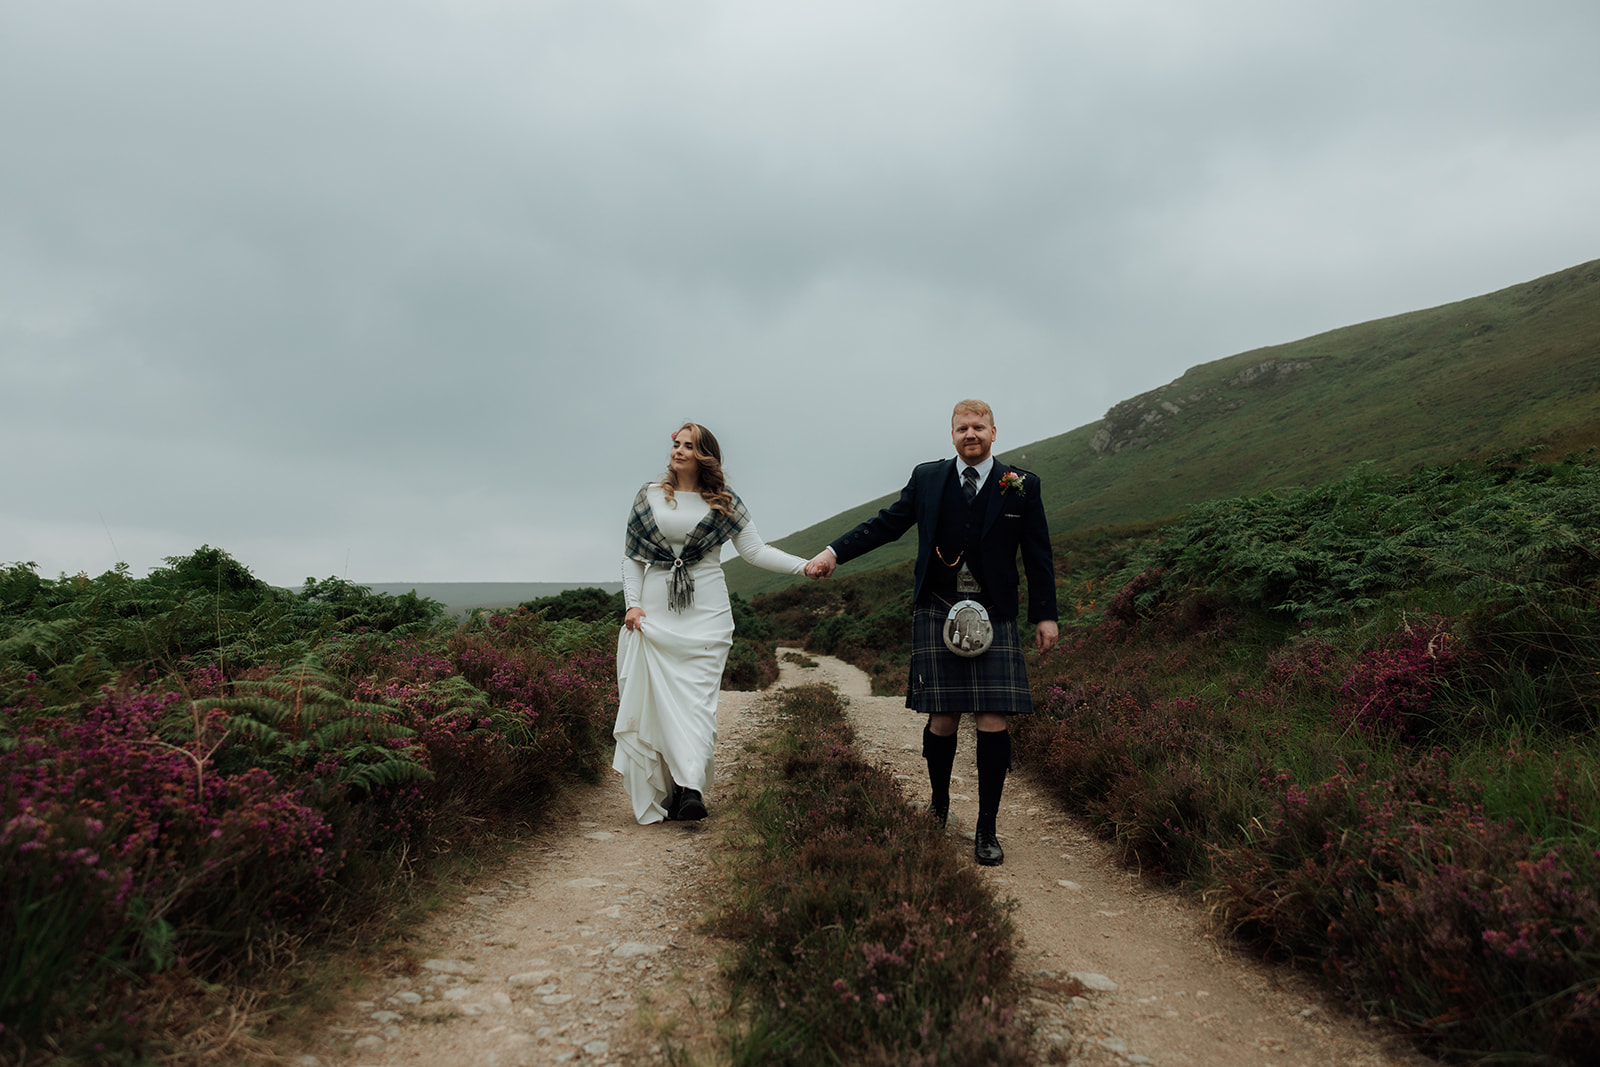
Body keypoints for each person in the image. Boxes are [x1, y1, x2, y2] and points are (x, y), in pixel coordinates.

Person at [805, 400, 1058, 865]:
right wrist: (832, 553)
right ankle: (938, 809)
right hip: (938, 609)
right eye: (962, 428)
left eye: (978, 427)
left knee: (992, 719)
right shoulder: (928, 478)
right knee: (941, 720)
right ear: (952, 434)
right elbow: (887, 524)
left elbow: (1038, 553)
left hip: (995, 611)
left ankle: (987, 828)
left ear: (994, 432)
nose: (970, 435)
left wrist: (1046, 615)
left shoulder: (1021, 485)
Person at [614, 421, 808, 825]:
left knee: (697, 704)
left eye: (689, 446)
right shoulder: (648, 496)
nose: (679, 451)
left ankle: (692, 789)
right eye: (677, 444)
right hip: (655, 614)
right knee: (660, 702)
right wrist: (632, 605)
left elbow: (754, 551)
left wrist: (804, 567)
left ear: (705, 455)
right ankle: (673, 789)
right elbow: (632, 557)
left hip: (708, 613)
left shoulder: (724, 501)